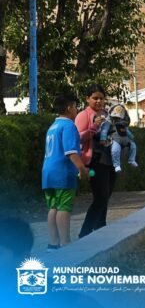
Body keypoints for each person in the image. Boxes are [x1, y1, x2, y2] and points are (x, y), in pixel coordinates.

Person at [42, 95, 89, 250]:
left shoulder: (52, 127)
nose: (76, 110)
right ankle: (65, 242)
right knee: (64, 207)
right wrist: (81, 168)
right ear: (69, 107)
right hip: (63, 173)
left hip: (48, 173)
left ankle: (53, 243)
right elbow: (71, 152)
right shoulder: (68, 126)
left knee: (53, 207)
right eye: (75, 106)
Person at [77, 84, 114, 238]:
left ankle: (100, 228)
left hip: (109, 160)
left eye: (101, 98)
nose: (99, 101)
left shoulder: (108, 113)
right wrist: (94, 127)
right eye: (95, 98)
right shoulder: (84, 115)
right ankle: (85, 232)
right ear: (88, 99)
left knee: (106, 195)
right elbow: (78, 137)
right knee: (100, 196)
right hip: (93, 161)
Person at [101, 104, 138, 173]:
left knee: (133, 146)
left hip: (125, 139)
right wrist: (103, 138)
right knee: (115, 150)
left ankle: (132, 160)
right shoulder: (109, 122)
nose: (117, 118)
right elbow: (104, 130)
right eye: (115, 117)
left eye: (119, 117)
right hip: (115, 139)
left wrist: (131, 137)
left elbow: (127, 131)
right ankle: (117, 165)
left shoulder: (123, 123)